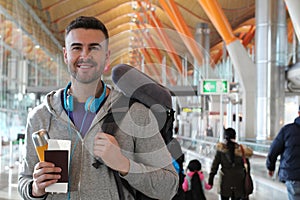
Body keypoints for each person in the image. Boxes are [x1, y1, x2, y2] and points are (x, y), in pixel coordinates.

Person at [18, 16, 178, 200]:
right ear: (65, 54)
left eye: (94, 48)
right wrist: (35, 189)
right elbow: (25, 180)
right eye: (77, 47)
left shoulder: (136, 114)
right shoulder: (40, 116)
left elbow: (169, 187)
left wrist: (124, 165)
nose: (85, 55)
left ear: (107, 56)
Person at [208, 128, 253, 200]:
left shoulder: (221, 150)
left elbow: (214, 166)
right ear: (235, 137)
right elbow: (247, 167)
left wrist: (210, 180)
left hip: (225, 182)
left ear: (225, 137)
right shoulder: (242, 150)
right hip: (239, 182)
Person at [266, 106, 300, 200]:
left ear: (298, 113)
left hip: (292, 175)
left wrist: (270, 166)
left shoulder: (287, 130)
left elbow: (274, 150)